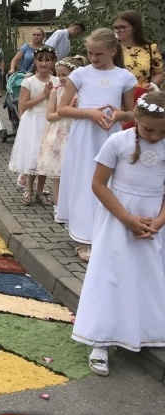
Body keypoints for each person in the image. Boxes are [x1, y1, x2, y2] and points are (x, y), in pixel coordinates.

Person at [71, 91, 165, 376]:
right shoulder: (117, 142)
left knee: (149, 274)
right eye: (149, 129)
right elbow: (99, 184)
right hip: (117, 219)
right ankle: (99, 341)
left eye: (163, 131)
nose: (154, 136)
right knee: (110, 274)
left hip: (152, 224)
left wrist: (158, 222)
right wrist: (126, 218)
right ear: (135, 118)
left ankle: (146, 330)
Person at [57, 28, 137, 262]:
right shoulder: (80, 74)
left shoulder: (125, 77)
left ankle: (105, 234)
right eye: (90, 53)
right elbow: (62, 108)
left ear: (113, 51)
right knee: (84, 181)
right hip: (84, 135)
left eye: (99, 54)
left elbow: (131, 112)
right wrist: (88, 113)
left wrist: (120, 115)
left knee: (109, 183)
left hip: (110, 135)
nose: (93, 58)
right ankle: (83, 237)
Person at [8, 47, 60, 206]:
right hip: (33, 121)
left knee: (45, 157)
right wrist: (43, 96)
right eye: (40, 60)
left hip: (49, 120)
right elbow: (24, 104)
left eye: (48, 60)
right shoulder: (29, 81)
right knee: (33, 156)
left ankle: (40, 190)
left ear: (53, 62)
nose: (44, 63)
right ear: (35, 61)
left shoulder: (57, 81)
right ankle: (28, 189)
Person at [36, 55, 87, 210]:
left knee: (74, 173)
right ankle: (58, 206)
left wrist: (76, 108)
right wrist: (64, 111)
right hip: (58, 135)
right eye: (59, 75)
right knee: (58, 173)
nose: (61, 78)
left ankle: (74, 206)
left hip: (75, 133)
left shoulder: (83, 93)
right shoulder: (55, 92)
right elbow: (50, 116)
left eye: (65, 75)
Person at [113, 10, 163, 91]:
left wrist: (153, 84)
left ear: (135, 28)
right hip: (119, 94)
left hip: (143, 95)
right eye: (115, 27)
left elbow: (159, 73)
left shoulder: (150, 48)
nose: (117, 30)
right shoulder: (112, 48)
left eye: (122, 27)